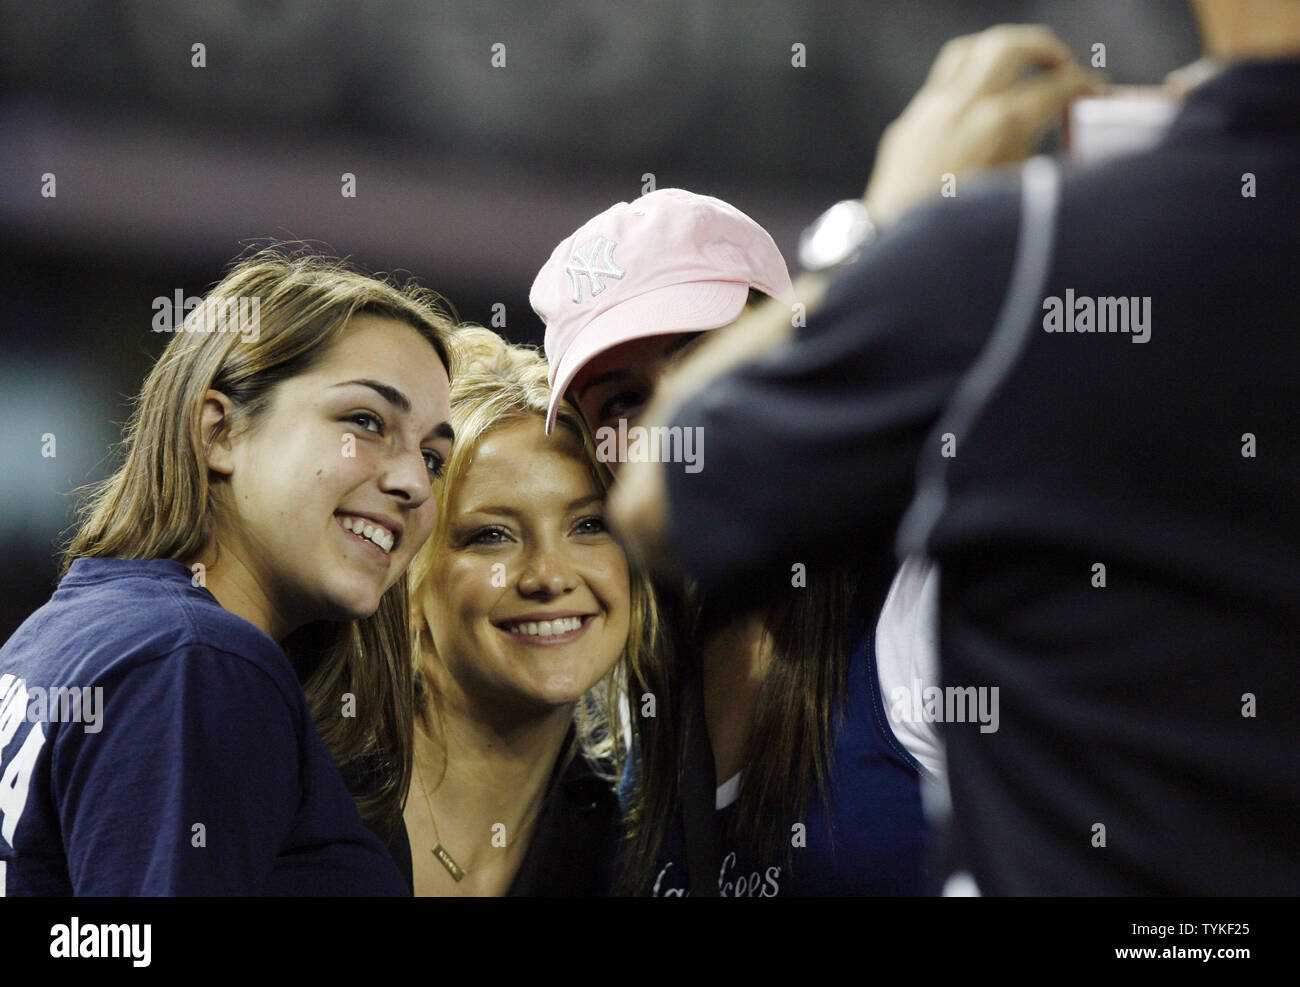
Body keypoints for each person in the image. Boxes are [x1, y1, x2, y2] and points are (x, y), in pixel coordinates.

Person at [610, 12, 1300, 895]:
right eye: (616, 395)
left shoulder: (1029, 252)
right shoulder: (627, 707)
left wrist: (883, 228)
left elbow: (667, 487)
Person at [0, 246, 457, 895]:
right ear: (220, 431)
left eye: (435, 457)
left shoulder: (58, 636)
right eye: (365, 420)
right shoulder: (201, 659)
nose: (414, 481)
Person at [531, 189, 943, 896]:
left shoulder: (924, 593)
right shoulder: (635, 671)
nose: (679, 420)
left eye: (706, 362)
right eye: (624, 399)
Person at [398, 328, 650, 896]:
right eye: (492, 535)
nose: (550, 577)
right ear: (408, 575)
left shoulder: (638, 852)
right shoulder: (296, 783)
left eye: (590, 526)